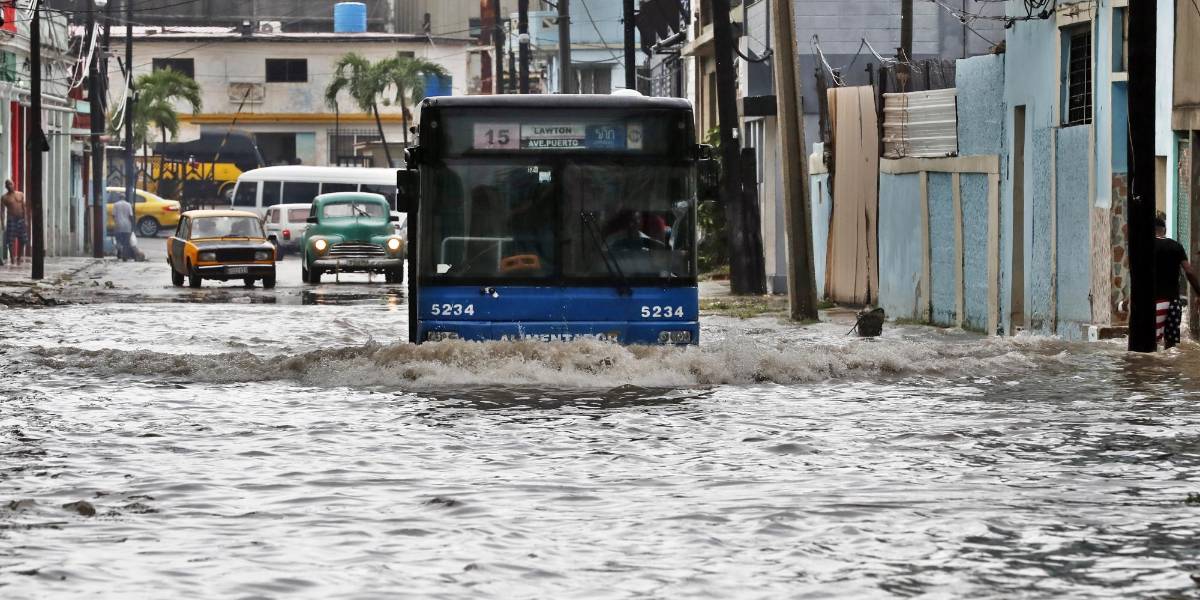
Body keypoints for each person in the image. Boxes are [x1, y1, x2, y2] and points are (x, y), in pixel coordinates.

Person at [1153, 217, 1200, 349]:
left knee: (1150, 346)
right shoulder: (1176, 246)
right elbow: (1189, 271)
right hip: (1174, 302)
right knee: (1170, 347)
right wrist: (1199, 293)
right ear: (1165, 230)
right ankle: (1170, 370)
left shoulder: (1146, 245)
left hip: (1155, 301)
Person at [2, 179, 28, 266]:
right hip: (11, 219)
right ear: (6, 187)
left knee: (23, 240)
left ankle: (19, 257)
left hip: (20, 219)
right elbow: (1, 211)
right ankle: (12, 258)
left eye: (11, 184)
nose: (10, 186)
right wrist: (2, 223)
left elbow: (24, 207)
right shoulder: (4, 197)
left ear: (14, 184)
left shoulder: (20, 194)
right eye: (8, 185)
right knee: (10, 241)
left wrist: (26, 219)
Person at [112, 191, 135, 260]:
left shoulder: (116, 204)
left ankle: (120, 253)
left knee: (118, 240)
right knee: (126, 242)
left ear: (119, 198)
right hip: (127, 226)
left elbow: (113, 215)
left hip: (118, 225)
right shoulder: (128, 205)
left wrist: (116, 221)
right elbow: (130, 216)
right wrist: (133, 225)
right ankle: (125, 257)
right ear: (125, 198)